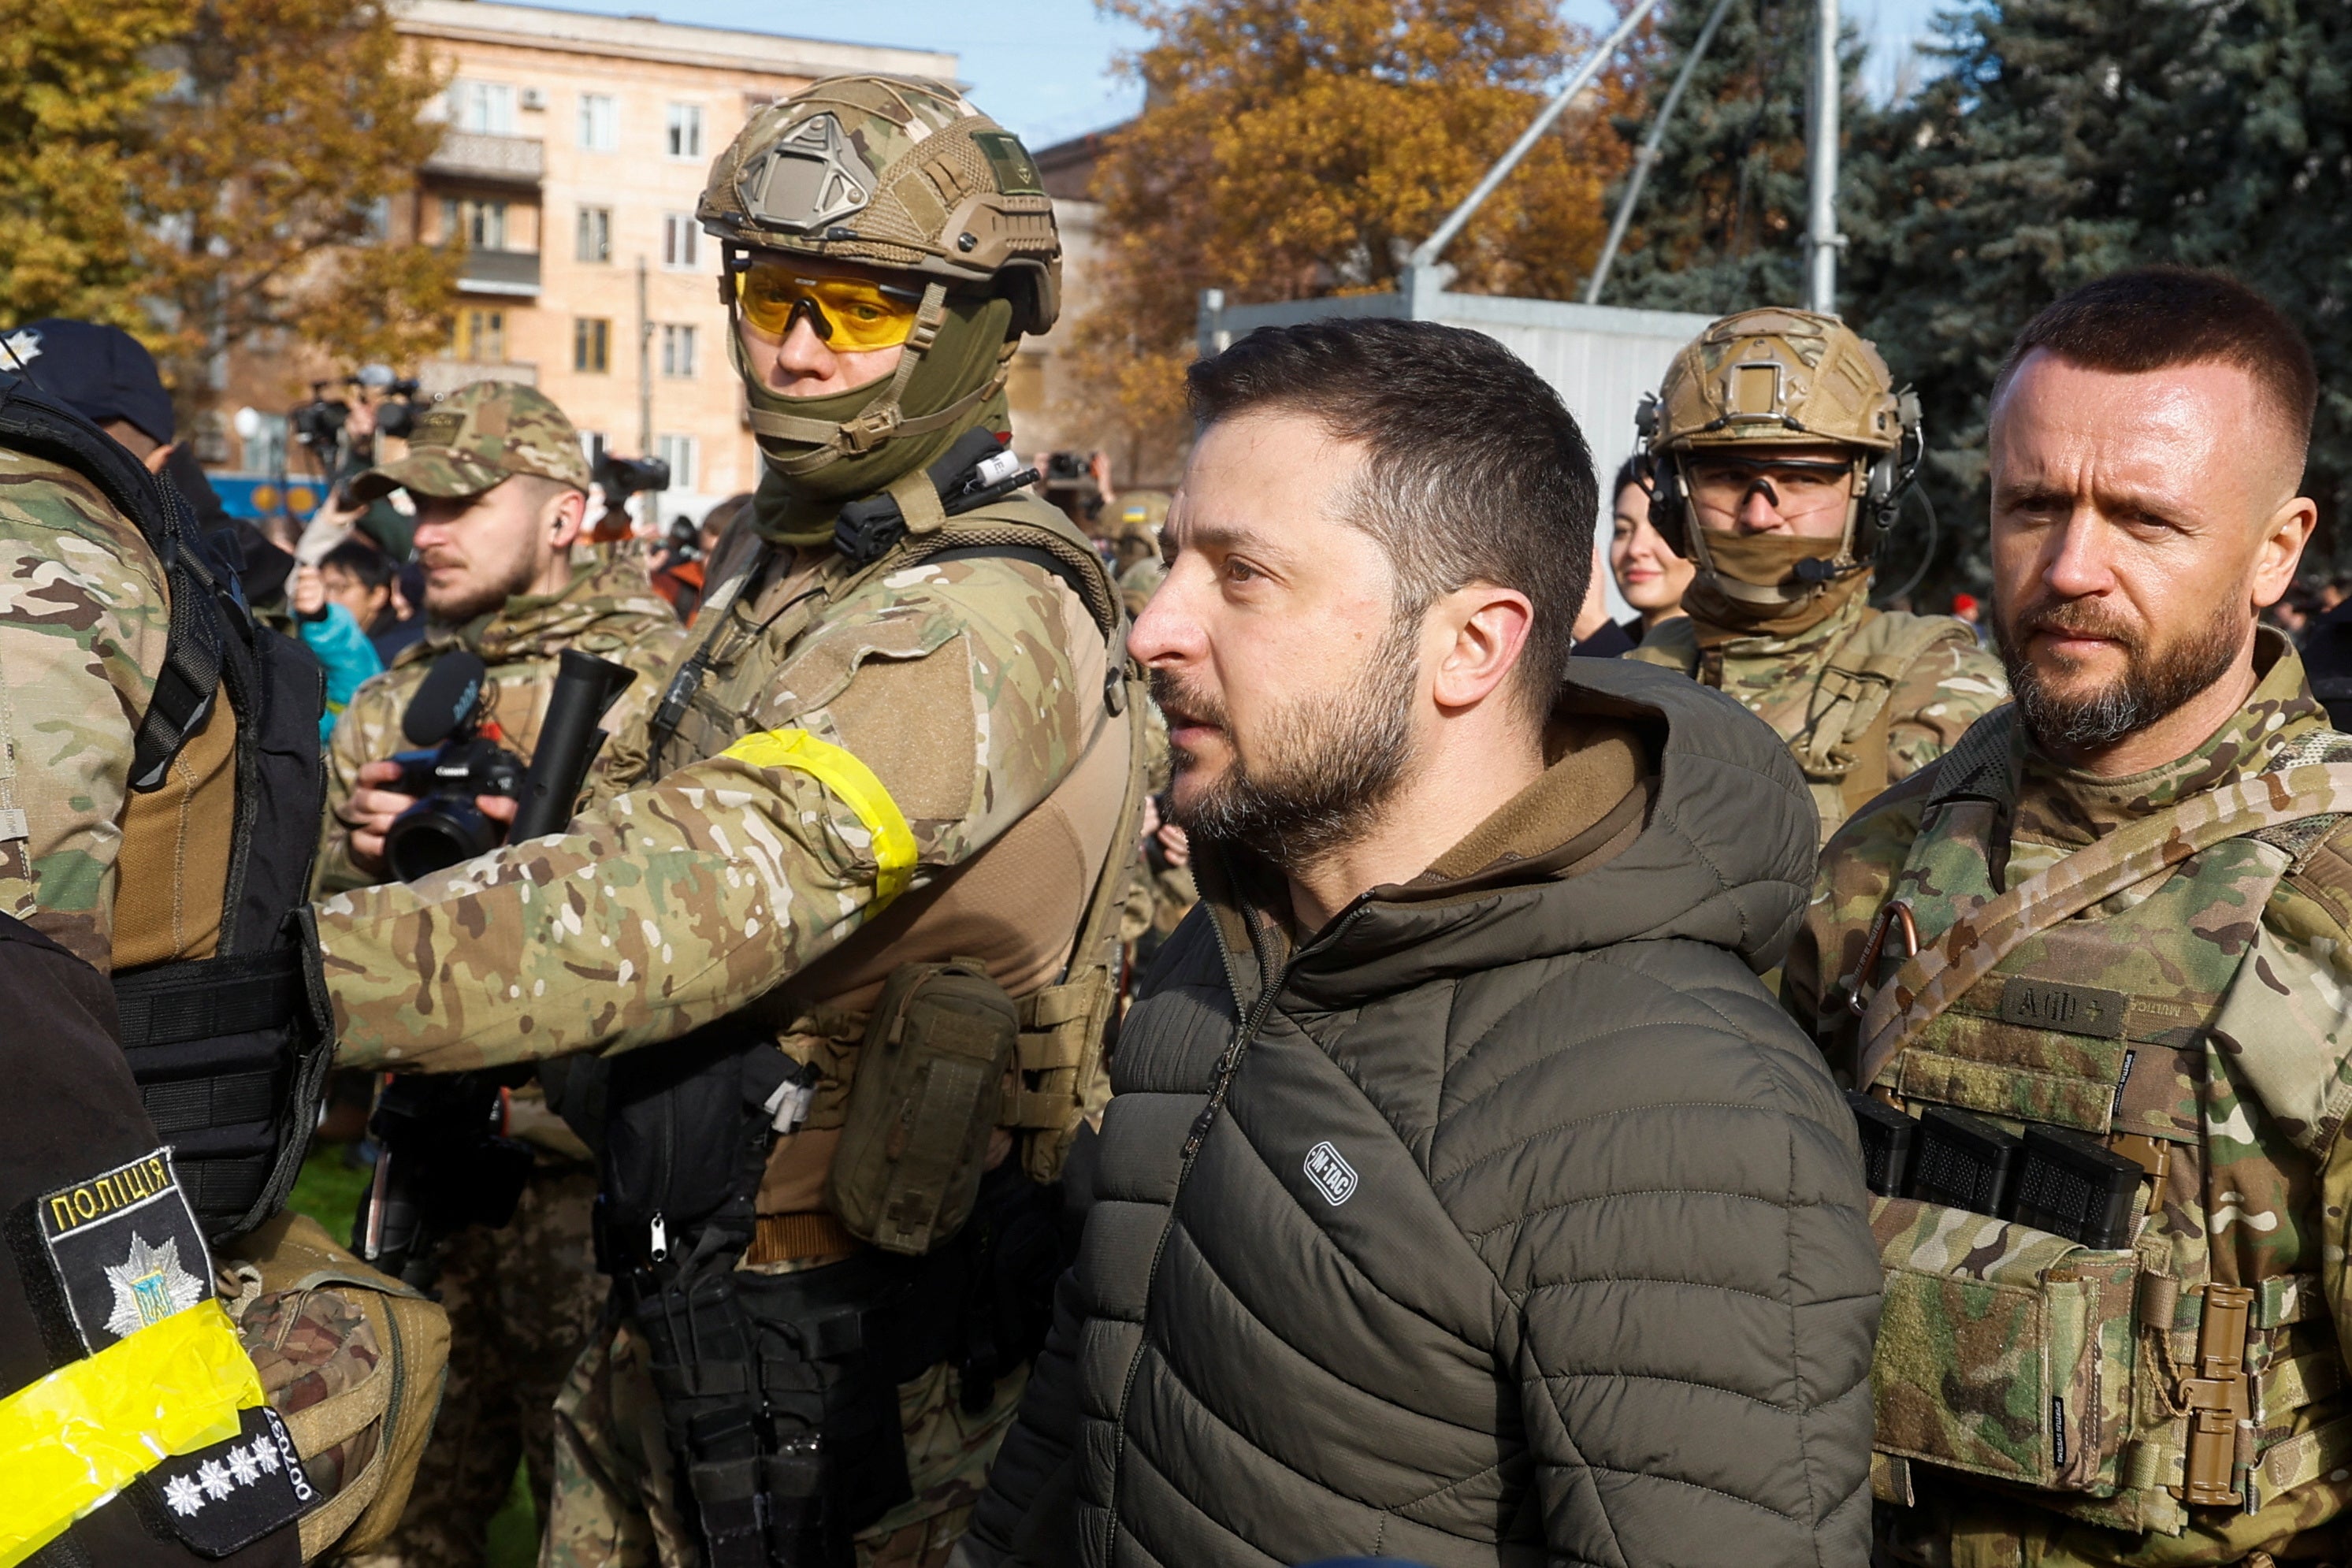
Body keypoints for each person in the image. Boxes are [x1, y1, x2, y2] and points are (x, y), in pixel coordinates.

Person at [309, 73, 1141, 1568]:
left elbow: (709, 882)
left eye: (860, 308)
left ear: (974, 321)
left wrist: (294, 983)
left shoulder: (982, 610)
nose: (798, 346)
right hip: (686, 1309)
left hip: (865, 1373)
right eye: (768, 290)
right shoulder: (797, 578)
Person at [964, 318, 1879, 1568]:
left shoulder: (1688, 1115)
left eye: (1241, 574)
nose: (1152, 627)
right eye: (1175, 560)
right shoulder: (1222, 950)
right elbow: (1089, 1394)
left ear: (1471, 644)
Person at [1784, 269, 2352, 1566]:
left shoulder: (2331, 901)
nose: (2072, 567)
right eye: (2034, 506)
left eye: (2144, 520)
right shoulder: (1889, 857)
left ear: (2279, 548)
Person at [0, 347, 444, 1562]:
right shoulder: (61, 534)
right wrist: (197, 1510)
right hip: (87, 1241)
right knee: (369, 1347)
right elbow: (21, 1020)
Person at [314, 380, 686, 1568]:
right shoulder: (397, 698)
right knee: (393, 1518)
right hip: (419, 1159)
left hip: (586, 1184)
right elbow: (305, 912)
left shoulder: (668, 686)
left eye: (463, 500)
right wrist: (359, 848)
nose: (426, 528)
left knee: (603, 1526)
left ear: (568, 515)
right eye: (415, 502)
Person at [1625, 308, 2009, 845]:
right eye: (1728, 477)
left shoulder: (1945, 690)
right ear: (1671, 495)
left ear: (1870, 494)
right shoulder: (1634, 683)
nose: (1759, 516)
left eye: (1803, 477)